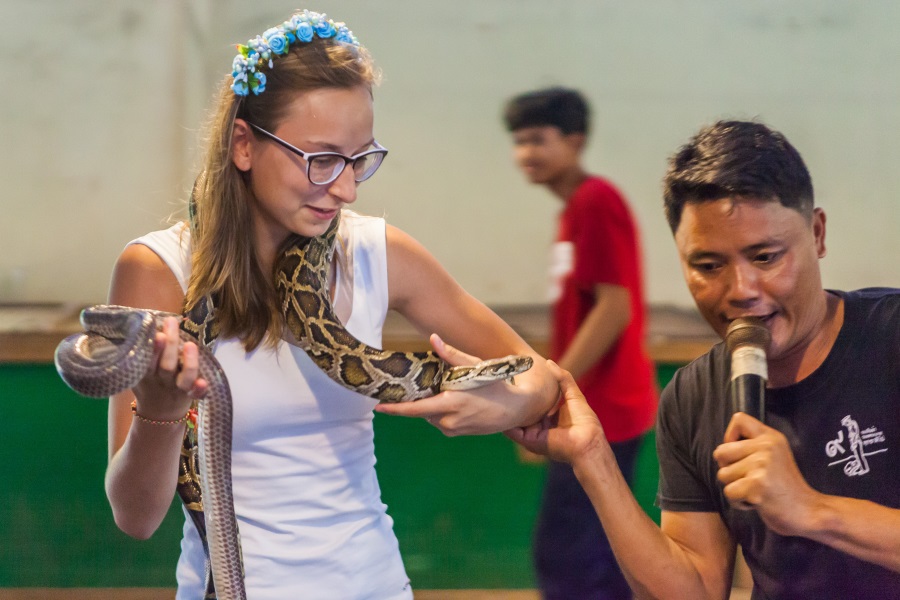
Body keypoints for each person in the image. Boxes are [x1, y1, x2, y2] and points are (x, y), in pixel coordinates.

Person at [103, 10, 556, 600]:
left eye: (360, 158)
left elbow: (542, 376)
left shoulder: (375, 253)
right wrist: (161, 409)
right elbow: (134, 519)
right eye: (320, 159)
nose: (344, 189)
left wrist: (507, 408)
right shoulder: (159, 272)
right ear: (244, 144)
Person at [508, 120, 900, 599]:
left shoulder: (889, 338)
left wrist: (813, 511)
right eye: (708, 266)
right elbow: (693, 591)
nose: (741, 292)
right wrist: (594, 461)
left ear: (817, 234)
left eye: (766, 257)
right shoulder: (694, 396)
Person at [498, 87, 658, 599]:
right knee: (594, 557)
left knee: (567, 557)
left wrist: (548, 393)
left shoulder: (595, 201)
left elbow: (615, 308)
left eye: (538, 139)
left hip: (604, 411)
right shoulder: (572, 212)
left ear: (576, 140)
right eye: (519, 142)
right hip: (591, 409)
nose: (527, 153)